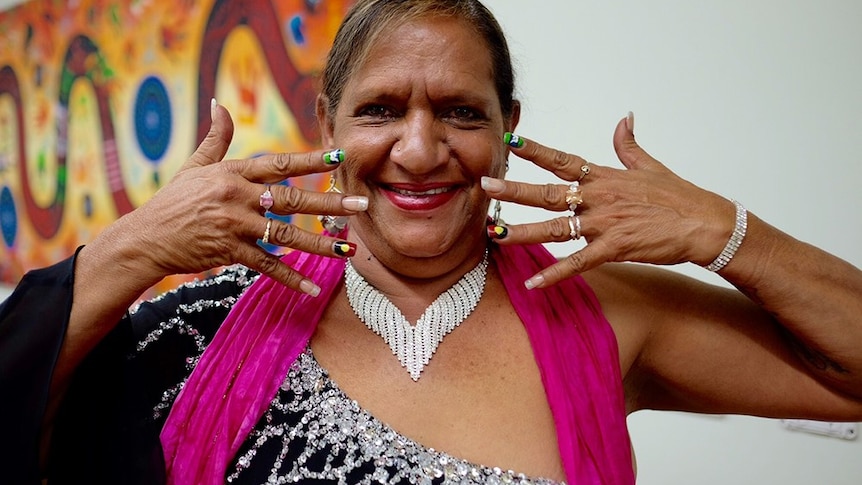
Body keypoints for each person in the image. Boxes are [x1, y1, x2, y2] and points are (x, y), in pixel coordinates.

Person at [1, 0, 861, 483]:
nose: (419, 150)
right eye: (380, 110)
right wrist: (135, 245)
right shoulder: (198, 333)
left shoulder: (595, 308)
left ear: (507, 127)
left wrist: (724, 232)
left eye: (460, 111)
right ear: (327, 121)